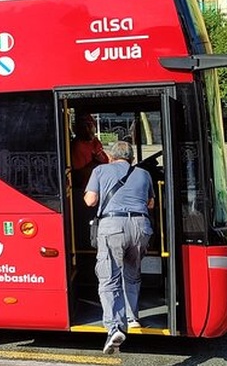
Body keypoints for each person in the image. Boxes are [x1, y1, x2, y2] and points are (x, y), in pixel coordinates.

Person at [84, 140, 154, 355]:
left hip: (112, 226)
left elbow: (90, 201)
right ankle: (133, 319)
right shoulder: (144, 174)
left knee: (109, 278)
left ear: (111, 157)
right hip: (141, 227)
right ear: (132, 157)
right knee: (132, 273)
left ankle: (114, 328)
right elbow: (151, 203)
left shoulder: (100, 170)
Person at [71, 113, 108, 188]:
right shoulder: (78, 146)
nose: (87, 129)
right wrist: (95, 162)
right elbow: (79, 175)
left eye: (90, 125)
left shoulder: (95, 142)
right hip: (86, 187)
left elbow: (105, 160)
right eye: (83, 126)